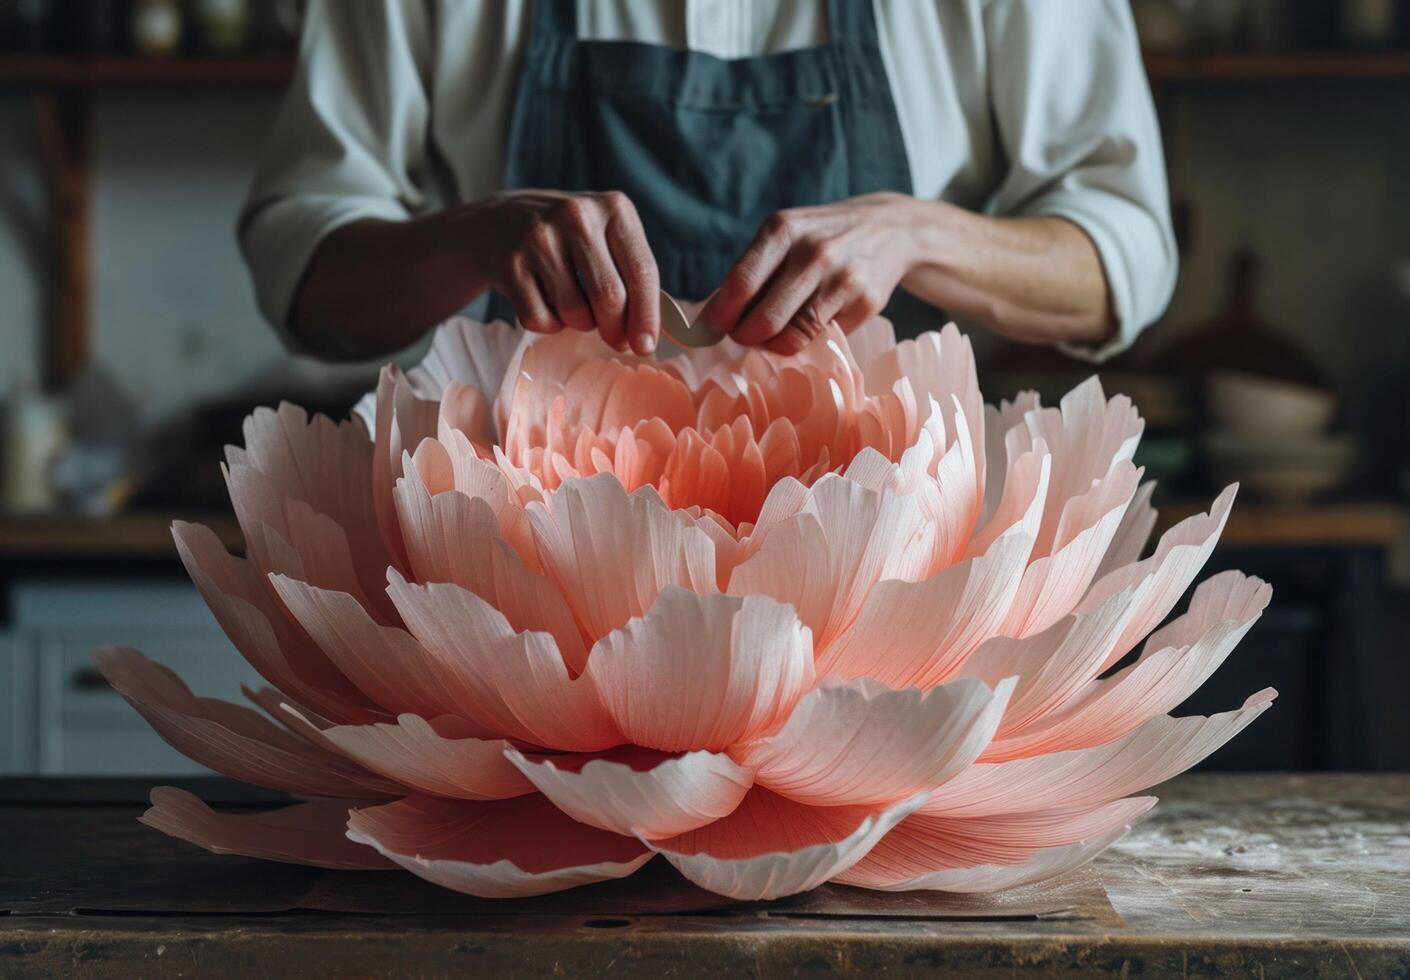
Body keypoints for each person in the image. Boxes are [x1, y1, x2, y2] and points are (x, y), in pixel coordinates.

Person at [239, 0, 1175, 365]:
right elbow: (305, 280)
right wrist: (473, 237)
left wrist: (919, 233)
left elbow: (1120, 260)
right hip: (528, 599)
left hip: (891, 584)